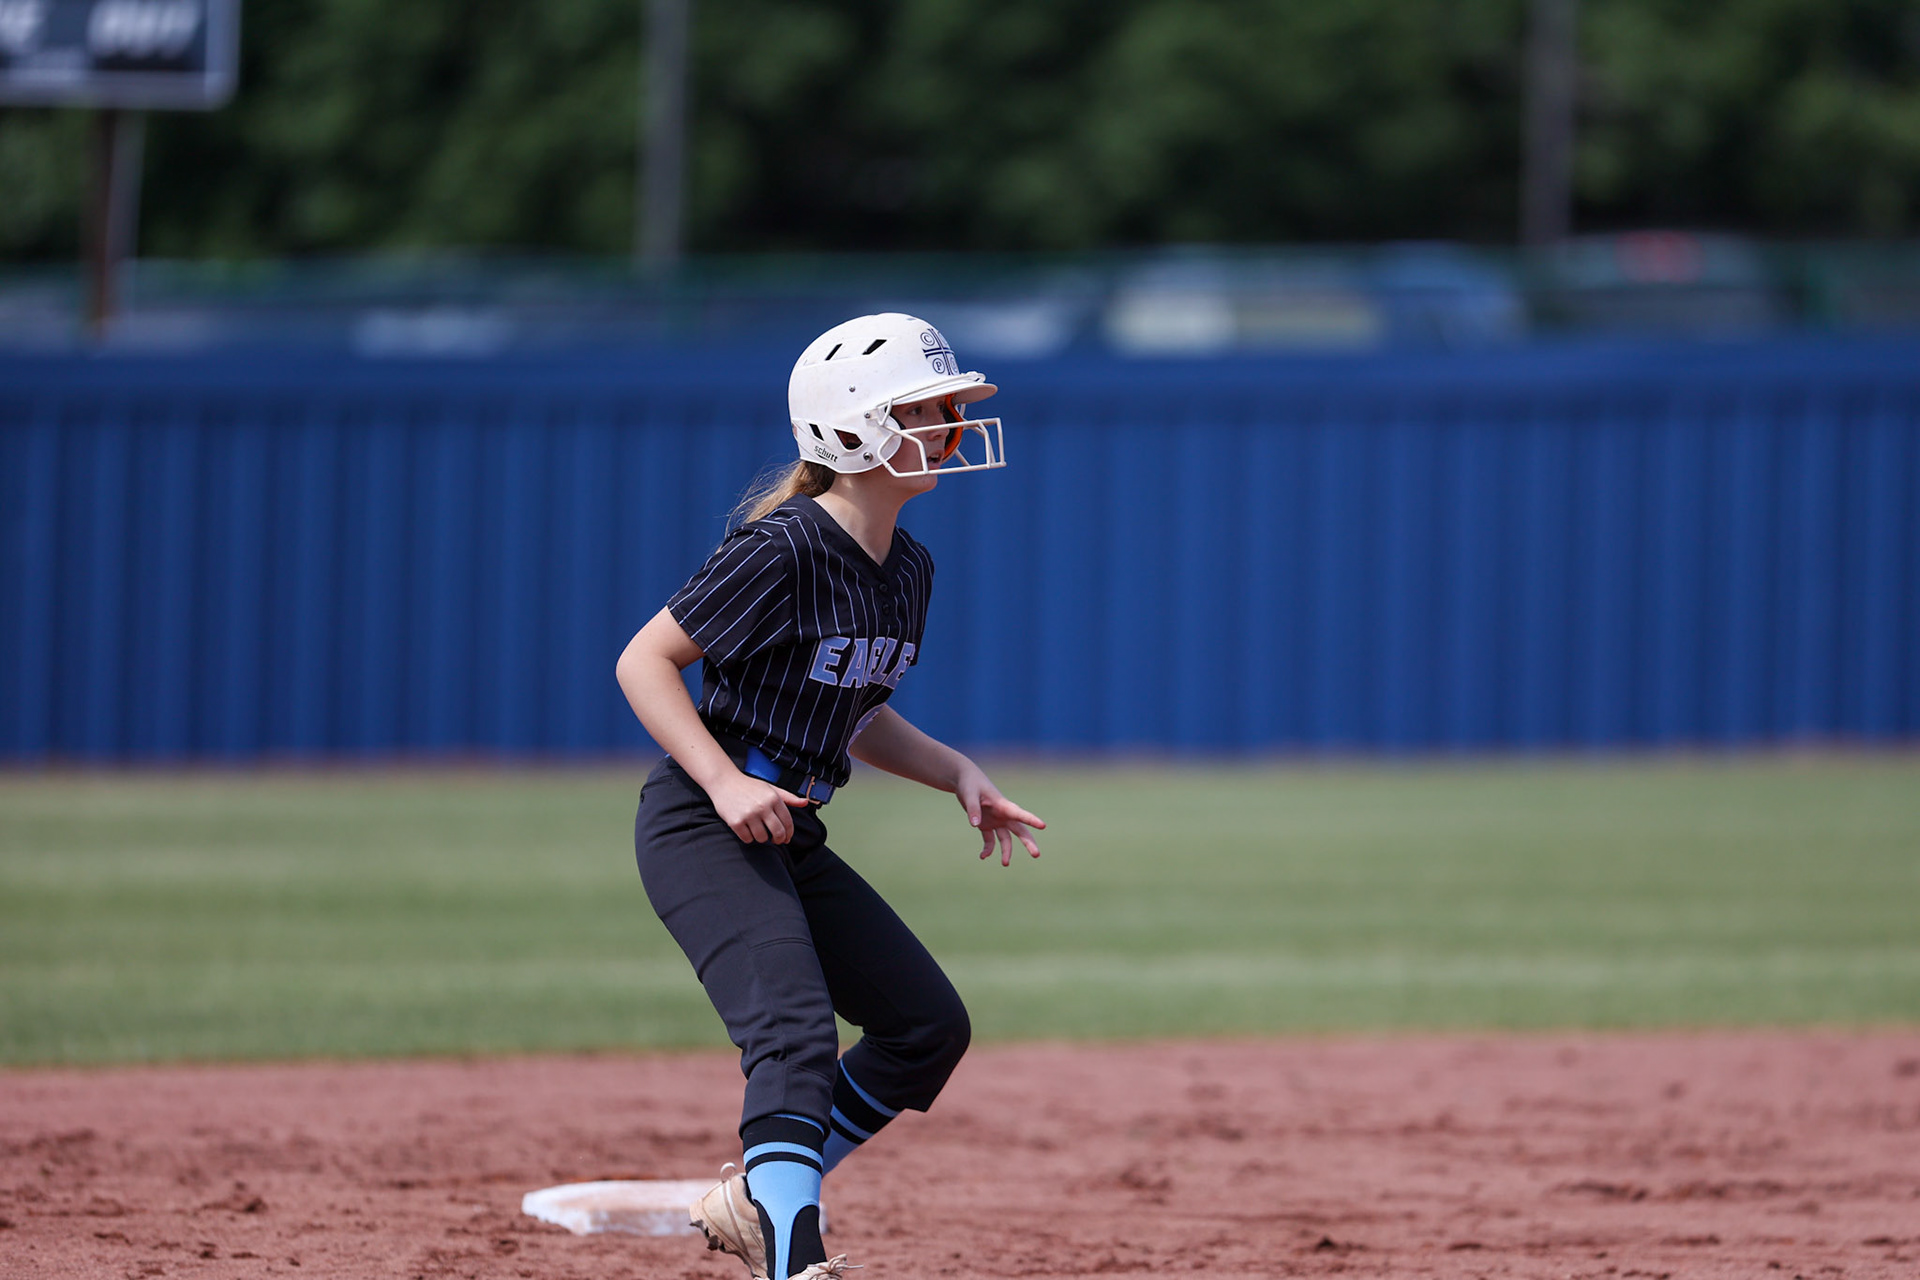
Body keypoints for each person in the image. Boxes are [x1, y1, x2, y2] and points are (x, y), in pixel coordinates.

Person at [616, 313, 1046, 1280]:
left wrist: (957, 774)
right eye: (927, 408)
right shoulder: (785, 549)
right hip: (705, 823)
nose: (949, 424)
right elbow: (644, 661)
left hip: (790, 827)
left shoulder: (911, 569)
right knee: (795, 1037)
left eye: (947, 408)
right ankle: (790, 1258)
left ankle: (761, 1196)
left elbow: (853, 710)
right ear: (854, 429)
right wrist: (723, 784)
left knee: (926, 1028)